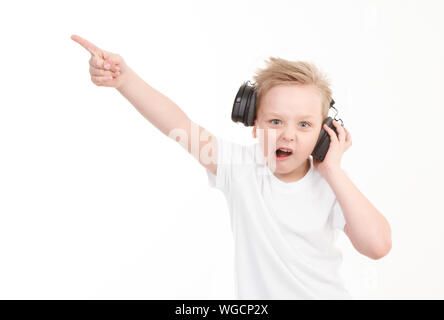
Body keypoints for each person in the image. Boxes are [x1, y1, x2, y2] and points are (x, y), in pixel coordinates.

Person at [71, 35, 392, 299]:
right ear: (253, 124)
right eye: (275, 121)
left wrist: (333, 171)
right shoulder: (241, 168)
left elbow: (377, 246)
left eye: (304, 125)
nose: (288, 134)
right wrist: (125, 80)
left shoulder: (332, 183)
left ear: (325, 132)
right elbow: (178, 124)